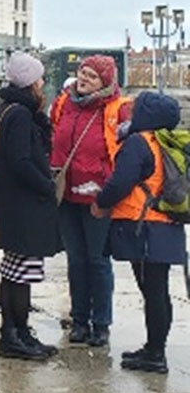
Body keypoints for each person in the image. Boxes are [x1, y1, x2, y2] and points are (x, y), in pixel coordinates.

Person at [92, 92, 184, 374]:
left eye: (137, 109)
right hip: (166, 224)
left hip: (144, 226)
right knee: (159, 291)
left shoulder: (138, 142)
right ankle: (155, 348)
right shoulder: (165, 142)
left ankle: (155, 354)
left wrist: (101, 203)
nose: (131, 113)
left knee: (153, 292)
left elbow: (120, 182)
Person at [49, 56, 131, 347]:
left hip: (99, 197)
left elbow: (126, 153)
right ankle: (79, 320)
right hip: (67, 194)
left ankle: (101, 323)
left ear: (105, 82)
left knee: (97, 260)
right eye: (82, 73)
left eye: (92, 76)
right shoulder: (63, 103)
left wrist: (109, 193)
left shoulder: (117, 109)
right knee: (76, 260)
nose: (84, 79)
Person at [0, 52, 60, 361]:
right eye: (39, 78)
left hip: (13, 203)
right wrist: (47, 185)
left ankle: (15, 333)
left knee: (13, 270)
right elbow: (21, 161)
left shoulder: (8, 108)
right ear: (30, 82)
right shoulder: (21, 114)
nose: (42, 83)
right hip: (24, 206)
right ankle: (15, 334)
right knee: (22, 273)